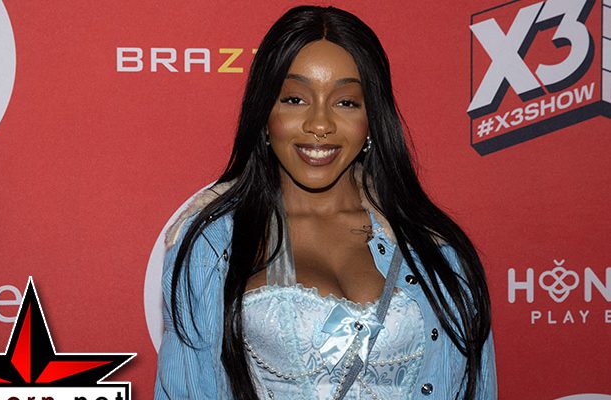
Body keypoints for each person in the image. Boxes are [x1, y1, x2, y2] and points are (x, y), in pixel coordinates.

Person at [155, 5, 496, 400]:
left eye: (346, 102)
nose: (320, 124)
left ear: (372, 119)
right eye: (295, 99)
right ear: (264, 114)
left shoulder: (436, 250)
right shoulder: (212, 245)